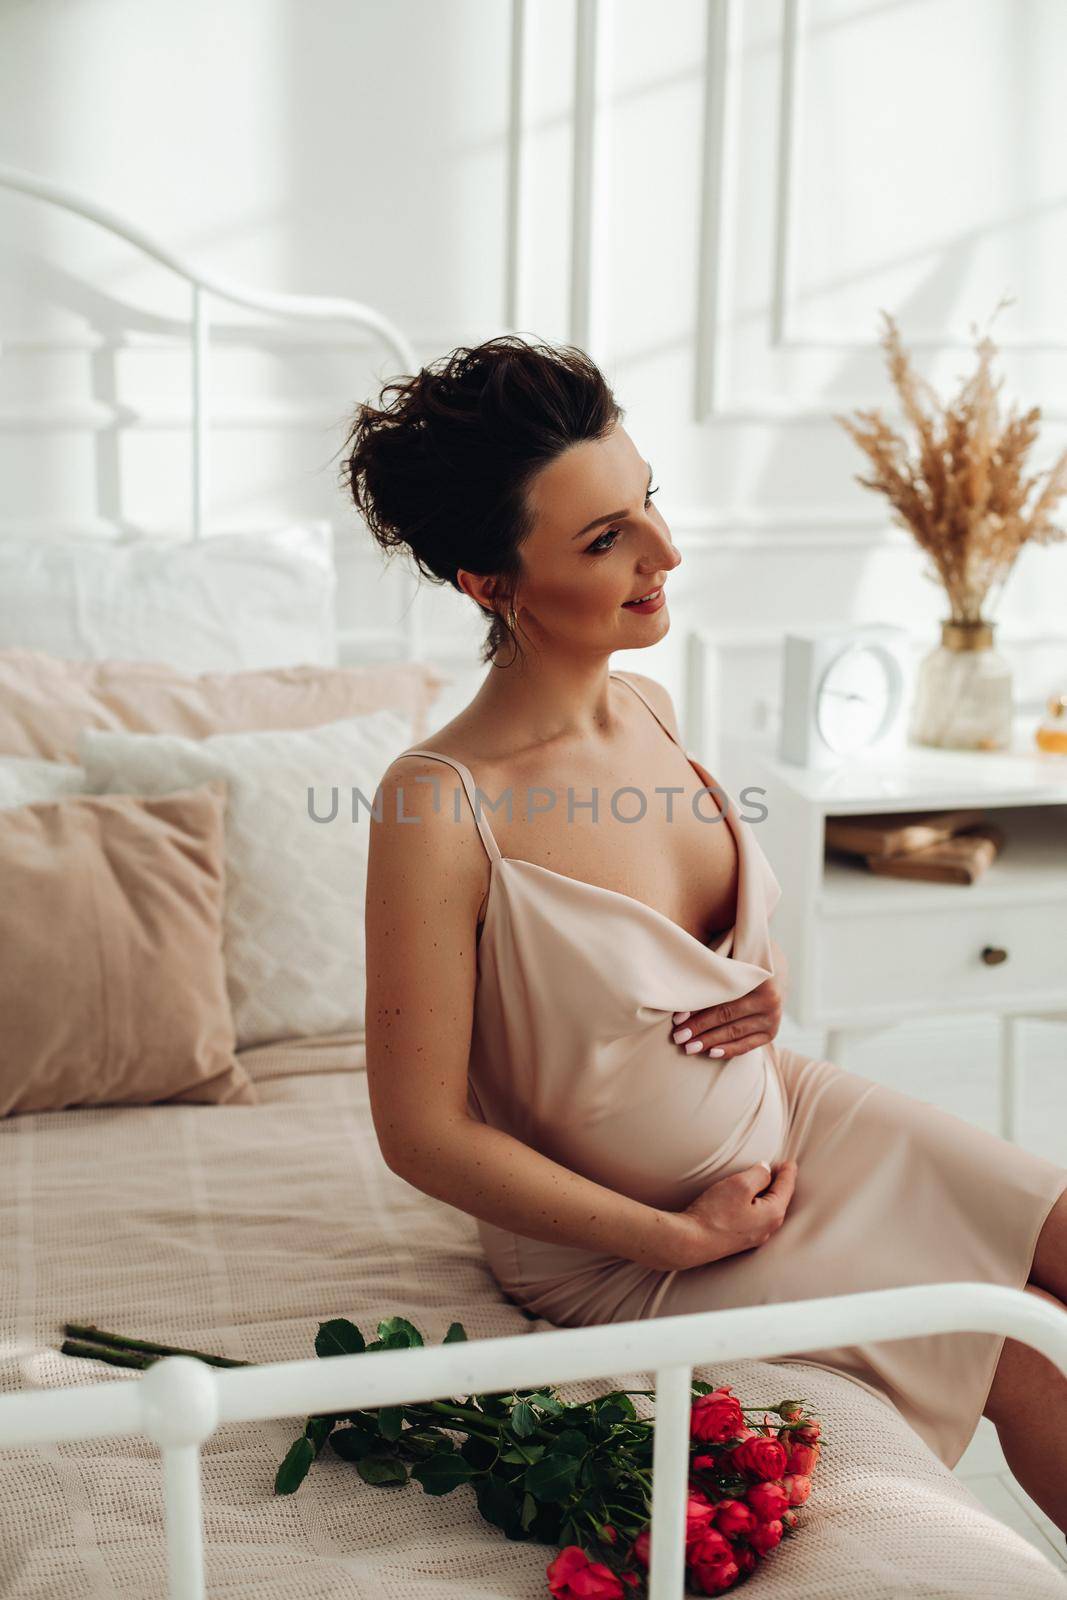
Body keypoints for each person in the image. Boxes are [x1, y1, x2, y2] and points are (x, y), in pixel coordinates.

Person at [342, 334, 1067, 1531]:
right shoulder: (436, 802)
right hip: (621, 1241)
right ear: (488, 582)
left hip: (781, 1114)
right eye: (603, 539)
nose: (663, 554)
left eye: (647, 504)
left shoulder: (646, 706)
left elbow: (689, 960)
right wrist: (673, 1231)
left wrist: (759, 990)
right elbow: (418, 1132)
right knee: (1014, 1345)